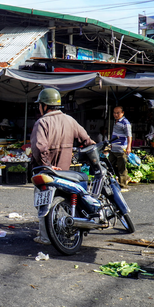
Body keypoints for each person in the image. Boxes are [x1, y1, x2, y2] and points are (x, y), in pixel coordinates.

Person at [30, 88, 95, 244]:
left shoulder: (42, 122)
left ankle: (45, 237)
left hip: (47, 173)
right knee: (67, 202)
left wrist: (48, 165)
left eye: (40, 104)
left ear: (44, 105)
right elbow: (86, 140)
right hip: (66, 174)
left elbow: (39, 148)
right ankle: (69, 230)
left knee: (44, 203)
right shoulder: (70, 120)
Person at [109, 106, 132, 188]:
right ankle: (119, 180)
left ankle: (123, 185)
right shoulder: (116, 122)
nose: (115, 114)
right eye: (114, 113)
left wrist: (129, 147)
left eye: (118, 113)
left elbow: (129, 136)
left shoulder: (125, 123)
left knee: (121, 167)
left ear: (123, 113)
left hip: (121, 149)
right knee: (111, 165)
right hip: (113, 149)